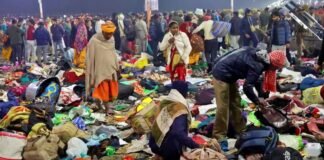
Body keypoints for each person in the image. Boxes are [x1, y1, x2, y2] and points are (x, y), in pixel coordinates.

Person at [211, 48, 287, 151]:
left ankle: (240, 130)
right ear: (274, 64)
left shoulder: (261, 57)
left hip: (231, 75)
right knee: (223, 107)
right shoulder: (258, 65)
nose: (276, 70)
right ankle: (219, 137)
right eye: (277, 68)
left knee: (236, 103)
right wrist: (257, 101)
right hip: (221, 73)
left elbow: (255, 80)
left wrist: (260, 97)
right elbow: (247, 86)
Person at [149, 81, 201, 160]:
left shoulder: (165, 102)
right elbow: (178, 133)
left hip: (154, 144)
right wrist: (196, 146)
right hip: (167, 150)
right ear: (185, 93)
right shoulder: (179, 109)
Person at [86, 21, 119, 116]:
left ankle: (106, 105)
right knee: (102, 88)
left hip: (111, 67)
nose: (109, 35)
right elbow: (90, 57)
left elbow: (113, 53)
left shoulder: (112, 39)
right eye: (108, 33)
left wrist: (117, 66)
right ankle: (107, 107)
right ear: (103, 32)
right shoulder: (94, 40)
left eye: (111, 33)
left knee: (110, 89)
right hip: (100, 69)